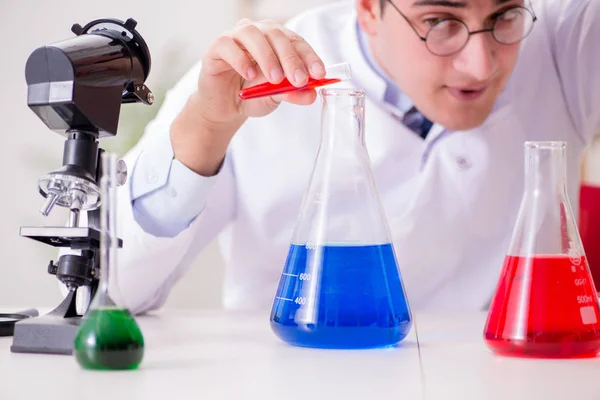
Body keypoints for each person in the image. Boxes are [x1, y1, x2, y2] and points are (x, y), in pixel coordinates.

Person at [113, 0, 600, 314]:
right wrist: (208, 126)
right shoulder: (255, 73)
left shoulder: (562, 45)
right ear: (368, 8)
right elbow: (115, 289)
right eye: (439, 22)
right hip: (293, 377)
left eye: (504, 17)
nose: (480, 65)